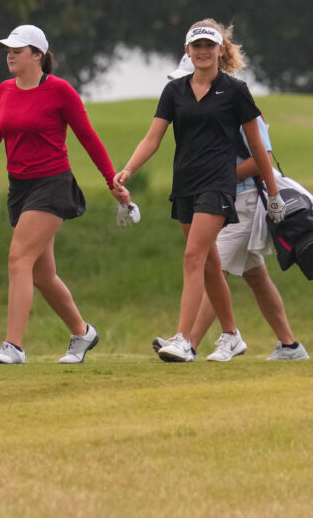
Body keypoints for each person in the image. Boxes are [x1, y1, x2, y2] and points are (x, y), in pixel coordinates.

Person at [0, 24, 130, 364]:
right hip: (19, 188)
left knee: (18, 258)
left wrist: (111, 180)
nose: (10, 55)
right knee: (42, 274)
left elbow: (88, 138)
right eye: (8, 50)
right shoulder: (5, 90)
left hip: (52, 185)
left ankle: (13, 347)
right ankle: (82, 332)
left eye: (17, 51)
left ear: (38, 55)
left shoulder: (60, 91)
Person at [115, 19, 285, 362]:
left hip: (219, 185)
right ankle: (231, 335)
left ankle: (183, 339)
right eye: (197, 46)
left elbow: (256, 146)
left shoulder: (235, 91)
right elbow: (153, 137)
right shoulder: (174, 91)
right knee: (209, 264)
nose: (204, 52)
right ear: (187, 51)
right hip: (185, 185)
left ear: (221, 50)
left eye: (210, 46)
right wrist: (128, 169)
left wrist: (275, 193)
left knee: (193, 257)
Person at [151, 54, 310, 361]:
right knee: (255, 276)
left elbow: (261, 156)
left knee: (214, 266)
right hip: (216, 196)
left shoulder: (232, 100)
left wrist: (216, 176)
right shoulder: (190, 100)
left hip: (243, 198)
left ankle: (189, 343)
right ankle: (290, 346)